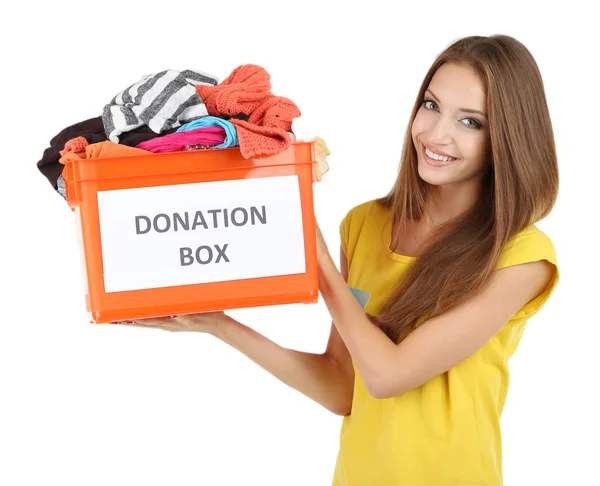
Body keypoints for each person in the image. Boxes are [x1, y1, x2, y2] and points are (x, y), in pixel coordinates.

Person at [121, 34, 560, 485]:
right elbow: (343, 387)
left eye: (471, 122)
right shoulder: (364, 225)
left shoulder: (521, 257)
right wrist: (219, 323)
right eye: (431, 106)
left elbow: (390, 376)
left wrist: (320, 265)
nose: (435, 134)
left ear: (508, 138)